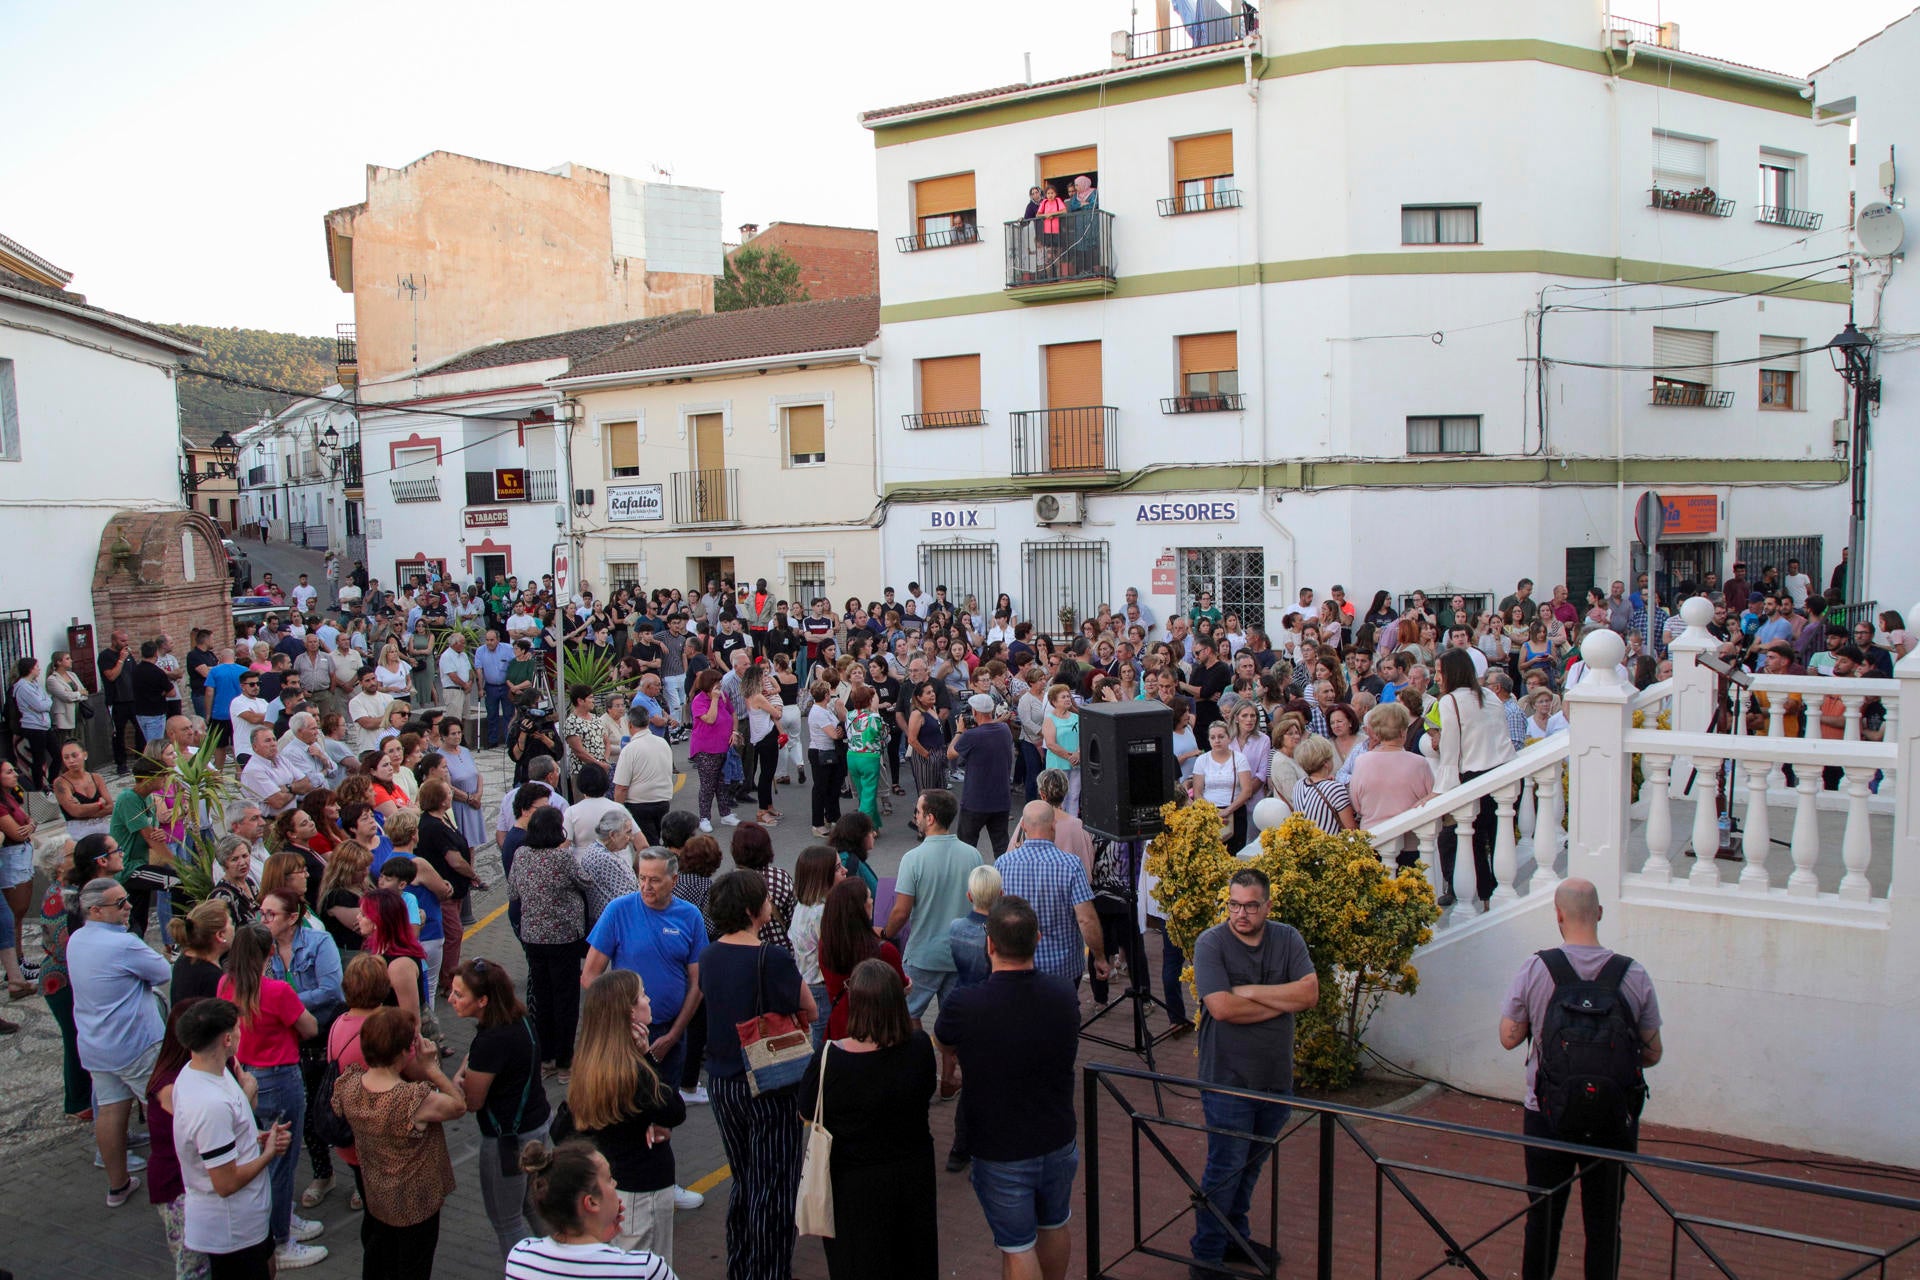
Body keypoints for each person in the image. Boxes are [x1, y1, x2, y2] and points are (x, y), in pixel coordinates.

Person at [1498, 879, 1663, 1280]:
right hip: (1613, 1120)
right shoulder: (1633, 974)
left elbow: (1508, 1037)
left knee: (1543, 1217)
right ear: (1600, 913)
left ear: (1558, 915)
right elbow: (1653, 1052)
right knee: (1604, 1225)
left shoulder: (1537, 968)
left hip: (1547, 1114)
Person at [934, 897, 1082, 1280]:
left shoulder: (965, 1003)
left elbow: (944, 1040)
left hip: (1001, 1148)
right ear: (1037, 938)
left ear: (990, 944)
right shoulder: (1064, 995)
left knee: (1017, 1246)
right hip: (1057, 1137)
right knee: (1054, 1224)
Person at [1188, 868, 1318, 1276]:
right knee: (1225, 1169)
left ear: (1267, 906)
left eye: (1249, 906)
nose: (1240, 913)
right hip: (1227, 1081)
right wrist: (1282, 1001)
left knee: (1250, 1167)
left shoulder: (1287, 938)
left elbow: (1310, 993)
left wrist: (1251, 992)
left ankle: (1235, 1238)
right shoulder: (1211, 943)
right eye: (1233, 904)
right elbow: (1222, 1008)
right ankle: (1206, 1257)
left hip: (1275, 1081)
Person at [698, 869, 816, 1280]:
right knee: (775, 1185)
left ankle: (740, 1262)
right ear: (752, 910)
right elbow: (810, 1010)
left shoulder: (710, 955)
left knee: (744, 1178)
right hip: (769, 1083)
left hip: (722, 1081)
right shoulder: (773, 958)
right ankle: (767, 1271)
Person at [799, 958, 939, 1279]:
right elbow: (926, 1090)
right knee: (914, 1262)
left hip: (853, 1189)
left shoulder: (830, 1059)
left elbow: (807, 1110)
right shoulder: (919, 1048)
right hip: (912, 1180)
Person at [551, 969, 691, 1262]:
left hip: (608, 1188)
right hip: (643, 1189)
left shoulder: (591, 1063)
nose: (648, 999)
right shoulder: (633, 1072)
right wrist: (648, 1059)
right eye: (642, 994)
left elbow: (561, 1130)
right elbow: (674, 1109)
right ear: (629, 1013)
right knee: (646, 1266)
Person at [216, 922, 327, 1268]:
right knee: (281, 1161)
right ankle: (280, 1239)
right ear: (268, 954)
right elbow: (310, 1027)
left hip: (246, 1075)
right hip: (280, 1078)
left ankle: (281, 1218)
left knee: (260, 1151)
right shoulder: (277, 991)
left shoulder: (225, 984)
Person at [333, 1006, 464, 1278]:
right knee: (413, 1268)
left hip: (378, 1195)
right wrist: (431, 1068)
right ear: (404, 1052)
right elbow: (458, 1105)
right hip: (416, 1204)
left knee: (381, 1261)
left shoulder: (349, 1086)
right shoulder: (412, 1099)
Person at [68, 875, 171, 1205]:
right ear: (96, 910)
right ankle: (173, 1180)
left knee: (111, 1110)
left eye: (127, 900)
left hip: (96, 1043)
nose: (128, 907)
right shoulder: (122, 943)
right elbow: (162, 972)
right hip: (135, 1043)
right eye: (120, 904)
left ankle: (117, 1185)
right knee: (165, 1110)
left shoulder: (77, 939)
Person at [171, 997, 291, 1280]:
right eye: (238, 1028)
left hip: (248, 1223)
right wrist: (268, 1153)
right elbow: (225, 1183)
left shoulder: (203, 1071)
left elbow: (221, 1141)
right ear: (226, 1039)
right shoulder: (209, 1104)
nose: (242, 1033)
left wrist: (256, 1138)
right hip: (232, 1230)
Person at [450, 956, 554, 1259]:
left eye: (459, 994)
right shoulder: (517, 1018)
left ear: (483, 1000)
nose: (451, 999)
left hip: (508, 1142)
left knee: (507, 1221)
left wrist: (451, 1078)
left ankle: (525, 1271)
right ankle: (562, 1262)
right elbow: (477, 1056)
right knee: (532, 1207)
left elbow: (472, 1101)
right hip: (535, 1126)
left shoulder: (491, 1041)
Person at [880, 788, 982, 1087]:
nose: (915, 816)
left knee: (910, 1014)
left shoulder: (913, 858)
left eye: (918, 811)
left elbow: (901, 911)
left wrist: (885, 935)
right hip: (960, 953)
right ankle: (950, 1076)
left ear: (931, 818)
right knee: (952, 1021)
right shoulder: (973, 854)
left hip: (924, 953)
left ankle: (919, 1071)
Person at [505, 1140, 679, 1279]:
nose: (615, 1184)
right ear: (592, 1202)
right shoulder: (645, 1270)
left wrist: (599, 1237)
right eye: (610, 1179)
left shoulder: (521, 1257)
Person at [508, 805, 593, 1074]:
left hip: (533, 936)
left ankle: (545, 1058)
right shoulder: (563, 858)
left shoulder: (521, 855)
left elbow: (512, 892)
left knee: (542, 997)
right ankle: (565, 1060)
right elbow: (586, 882)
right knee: (566, 999)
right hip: (565, 937)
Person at [1434, 648, 1516, 910]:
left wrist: (1441, 788)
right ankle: (1494, 897)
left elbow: (1450, 747)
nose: (1436, 678)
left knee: (1475, 842)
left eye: (1439, 672)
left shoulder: (1450, 701)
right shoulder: (1489, 695)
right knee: (1497, 836)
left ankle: (1488, 899)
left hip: (1476, 775)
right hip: (1504, 773)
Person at [996, 801, 1109, 987]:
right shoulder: (1071, 865)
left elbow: (996, 915)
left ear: (1023, 826)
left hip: (1017, 963)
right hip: (1062, 968)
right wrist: (1100, 957)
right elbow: (1086, 919)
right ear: (1053, 825)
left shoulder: (1003, 863)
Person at [949, 693, 1015, 856]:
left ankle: (968, 880)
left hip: (975, 802)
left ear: (975, 712)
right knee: (1001, 846)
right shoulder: (1004, 730)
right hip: (1001, 800)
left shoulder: (971, 736)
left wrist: (959, 732)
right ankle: (1005, 878)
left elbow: (950, 754)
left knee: (966, 848)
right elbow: (993, 728)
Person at [613, 704, 675, 844]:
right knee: (658, 839)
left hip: (639, 804)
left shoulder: (630, 749)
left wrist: (618, 812)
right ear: (647, 722)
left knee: (646, 845)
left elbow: (621, 787)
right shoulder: (662, 743)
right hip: (663, 800)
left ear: (630, 724)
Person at [171, 899, 234, 1003]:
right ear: (220, 935)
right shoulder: (214, 979)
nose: (233, 928)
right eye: (231, 923)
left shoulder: (183, 960)